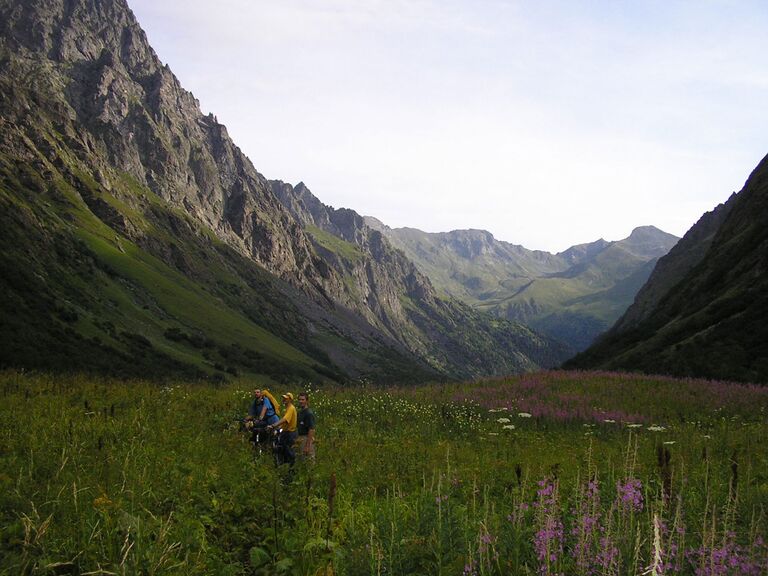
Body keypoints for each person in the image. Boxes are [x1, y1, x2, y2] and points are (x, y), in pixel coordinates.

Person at [268, 392, 298, 466]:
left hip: (290, 434)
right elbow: (286, 422)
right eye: (283, 398)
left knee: (289, 452)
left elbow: (285, 419)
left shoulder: (291, 408)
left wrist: (274, 425)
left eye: (286, 399)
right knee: (283, 450)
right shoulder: (287, 408)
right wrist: (279, 428)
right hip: (285, 432)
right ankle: (284, 467)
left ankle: (291, 469)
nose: (284, 400)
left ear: (290, 400)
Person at [297, 391, 316, 460]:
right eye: (299, 399)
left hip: (306, 438)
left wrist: (307, 446)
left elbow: (311, 429)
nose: (300, 401)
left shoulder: (309, 413)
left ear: (307, 401)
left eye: (303, 399)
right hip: (300, 437)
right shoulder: (300, 412)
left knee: (309, 460)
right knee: (301, 459)